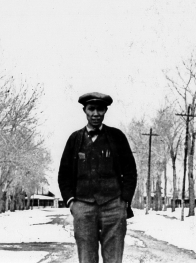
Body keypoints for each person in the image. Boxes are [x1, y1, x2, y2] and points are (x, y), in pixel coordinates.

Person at [58, 92, 137, 263]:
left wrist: (124, 201)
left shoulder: (117, 137)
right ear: (84, 110)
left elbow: (130, 171)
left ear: (105, 111)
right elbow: (63, 175)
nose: (95, 114)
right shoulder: (75, 139)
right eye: (91, 109)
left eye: (100, 109)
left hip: (113, 206)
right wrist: (72, 203)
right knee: (86, 259)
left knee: (114, 259)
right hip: (83, 207)